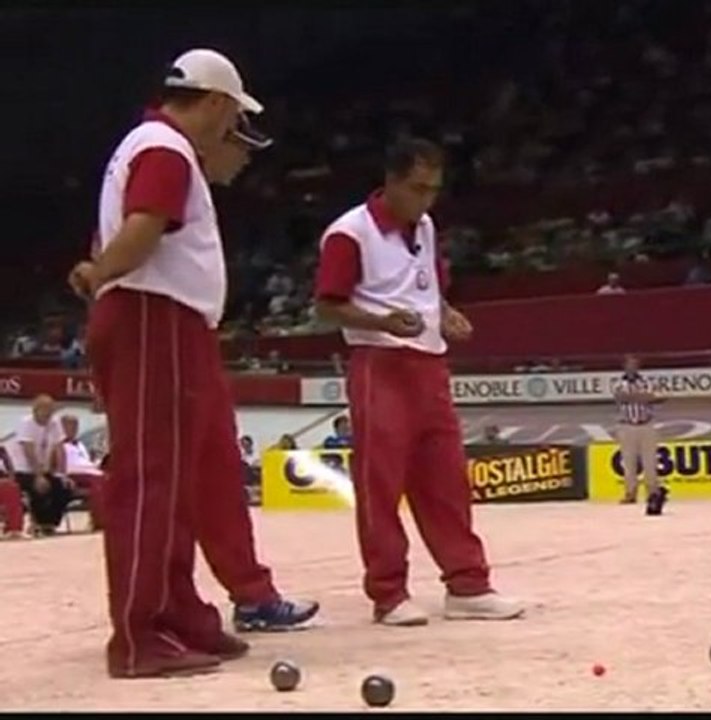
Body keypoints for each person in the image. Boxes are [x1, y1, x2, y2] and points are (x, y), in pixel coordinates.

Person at [67, 48, 315, 680]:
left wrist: (103, 268)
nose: (232, 127)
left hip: (167, 320)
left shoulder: (150, 145)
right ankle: (139, 633)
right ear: (213, 102)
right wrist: (103, 273)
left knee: (175, 480)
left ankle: (178, 614)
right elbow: (146, 226)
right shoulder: (166, 149)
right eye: (232, 112)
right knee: (151, 481)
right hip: (156, 318)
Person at [315, 137, 524, 627]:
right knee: (381, 484)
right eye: (417, 189)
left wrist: (447, 314)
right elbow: (326, 306)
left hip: (430, 363)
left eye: (433, 190)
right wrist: (382, 322)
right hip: (379, 362)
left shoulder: (425, 227)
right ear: (390, 182)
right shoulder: (348, 233)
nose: (426, 200)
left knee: (447, 481)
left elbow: (427, 289)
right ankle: (388, 593)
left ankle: (468, 584)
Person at [9, 395, 73, 535]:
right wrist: (38, 476)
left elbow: (60, 449)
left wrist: (63, 474)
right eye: (45, 412)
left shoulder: (54, 423)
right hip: (24, 470)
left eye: (50, 412)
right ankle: (39, 522)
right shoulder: (26, 423)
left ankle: (50, 523)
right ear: (36, 410)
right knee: (38, 488)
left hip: (44, 469)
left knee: (63, 488)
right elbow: (29, 451)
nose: (48, 416)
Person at [612, 355, 668, 514]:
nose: (632, 368)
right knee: (628, 463)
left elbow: (661, 397)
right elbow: (620, 397)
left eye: (634, 365)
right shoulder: (617, 383)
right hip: (626, 426)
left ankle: (652, 493)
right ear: (624, 367)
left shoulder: (647, 381)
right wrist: (645, 397)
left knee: (650, 461)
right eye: (629, 365)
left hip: (646, 425)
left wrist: (637, 398)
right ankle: (630, 493)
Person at [52, 414, 107, 532]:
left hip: (90, 472)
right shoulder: (58, 444)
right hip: (74, 473)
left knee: (110, 480)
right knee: (98, 482)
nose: (74, 428)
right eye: (70, 425)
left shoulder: (80, 444)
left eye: (75, 426)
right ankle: (100, 522)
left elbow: (86, 461)